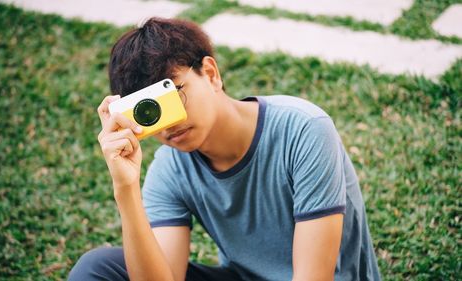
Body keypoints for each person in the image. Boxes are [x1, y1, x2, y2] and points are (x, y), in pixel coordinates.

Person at [68, 17, 381, 281]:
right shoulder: (170, 167)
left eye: (173, 94)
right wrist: (125, 189)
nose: (167, 125)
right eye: (151, 110)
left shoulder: (303, 129)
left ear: (211, 74)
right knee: (97, 269)